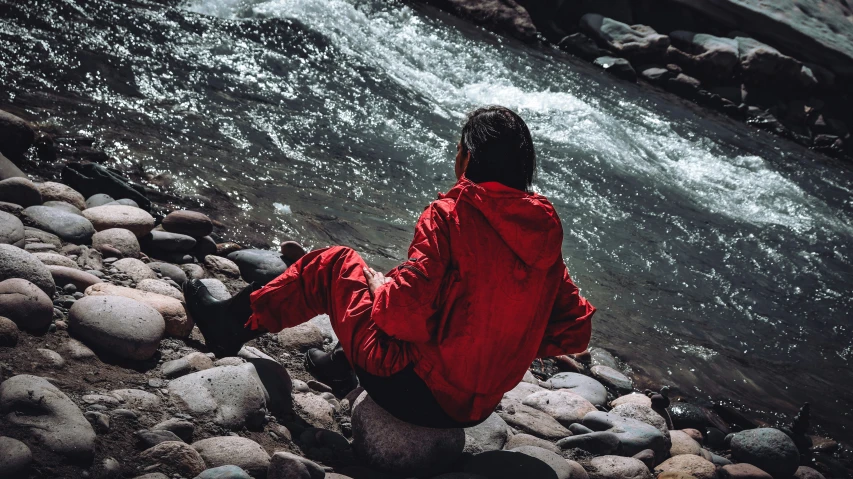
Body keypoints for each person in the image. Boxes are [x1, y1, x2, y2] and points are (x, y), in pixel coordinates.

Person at [184, 106, 595, 428]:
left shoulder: (451, 214)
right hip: (478, 408)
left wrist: (381, 290)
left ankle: (230, 323)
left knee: (337, 264)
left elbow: (400, 315)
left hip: (414, 393)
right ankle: (339, 365)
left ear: (469, 156)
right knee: (420, 285)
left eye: (459, 150)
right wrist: (500, 340)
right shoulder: (542, 230)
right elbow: (575, 329)